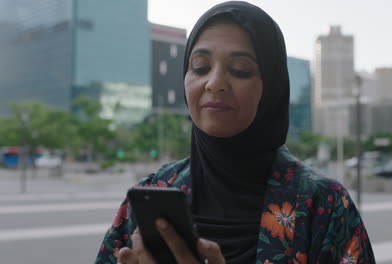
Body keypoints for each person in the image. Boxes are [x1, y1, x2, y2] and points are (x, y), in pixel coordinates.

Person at [95, 2, 375, 264]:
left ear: (272, 88)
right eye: (200, 67)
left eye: (240, 70)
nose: (214, 83)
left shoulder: (322, 204)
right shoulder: (152, 195)